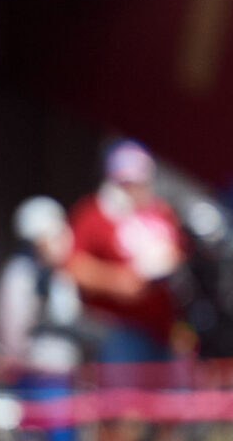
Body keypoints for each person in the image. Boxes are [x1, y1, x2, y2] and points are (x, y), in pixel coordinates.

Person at [67, 140, 185, 365]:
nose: (134, 189)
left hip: (163, 329)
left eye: (139, 182)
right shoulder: (93, 213)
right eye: (127, 183)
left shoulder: (162, 212)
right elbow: (74, 266)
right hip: (118, 329)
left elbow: (179, 251)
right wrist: (117, 281)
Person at [0, 196, 86, 441]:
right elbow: (14, 332)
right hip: (35, 376)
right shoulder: (21, 274)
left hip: (62, 376)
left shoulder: (59, 276)